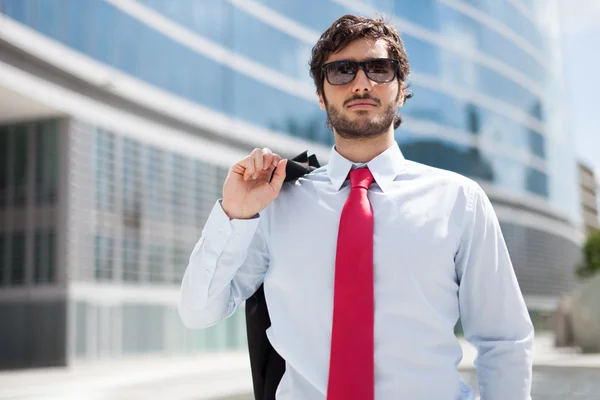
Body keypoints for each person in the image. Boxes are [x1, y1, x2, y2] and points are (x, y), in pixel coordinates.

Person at [178, 14, 534, 400]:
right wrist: (235, 214)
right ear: (321, 94)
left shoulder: (459, 201)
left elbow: (504, 340)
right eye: (342, 71)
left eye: (380, 69)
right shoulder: (275, 204)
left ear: (400, 90)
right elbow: (199, 311)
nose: (362, 83)